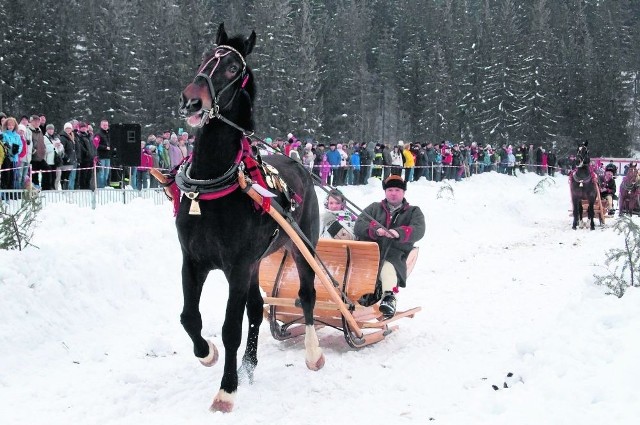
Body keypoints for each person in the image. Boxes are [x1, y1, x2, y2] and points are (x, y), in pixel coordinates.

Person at [353, 175, 425, 318]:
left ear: (403, 192)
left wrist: (398, 233)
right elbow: (359, 225)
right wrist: (375, 230)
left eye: (397, 190)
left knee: (388, 266)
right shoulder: (374, 208)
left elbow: (418, 229)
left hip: (395, 253)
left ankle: (389, 298)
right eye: (390, 189)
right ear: (385, 191)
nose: (393, 193)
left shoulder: (414, 212)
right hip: (370, 251)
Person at [94, 119, 111, 188]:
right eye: (104, 125)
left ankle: (104, 186)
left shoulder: (109, 133)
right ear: (101, 125)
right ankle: (100, 187)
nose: (105, 126)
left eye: (106, 125)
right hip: (101, 156)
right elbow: (96, 144)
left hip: (108, 156)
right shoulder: (98, 134)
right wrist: (105, 147)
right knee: (101, 173)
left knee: (106, 173)